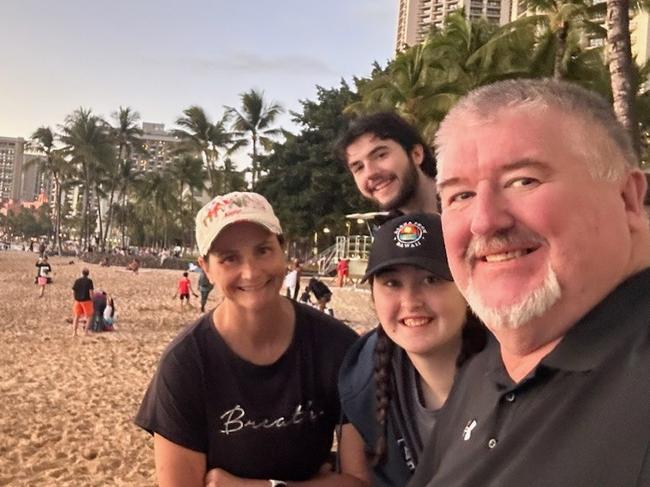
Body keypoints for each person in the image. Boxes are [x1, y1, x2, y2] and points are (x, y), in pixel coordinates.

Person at [409, 79, 650, 487]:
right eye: (460, 196)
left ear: (627, 198)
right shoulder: (486, 371)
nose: (485, 220)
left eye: (523, 181)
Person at [135, 191, 368, 487]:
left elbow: (361, 482)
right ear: (205, 267)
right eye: (229, 259)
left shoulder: (337, 347)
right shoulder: (186, 364)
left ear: (282, 249)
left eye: (263, 251)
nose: (250, 272)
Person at [338, 213, 486, 486]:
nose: (410, 301)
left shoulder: (517, 375)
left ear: (467, 288)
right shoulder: (364, 378)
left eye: (431, 279)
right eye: (392, 283)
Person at [335, 112, 438, 215]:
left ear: (416, 154)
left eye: (380, 155)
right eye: (359, 167)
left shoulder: (452, 202)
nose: (370, 173)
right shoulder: (390, 229)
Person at [71, 268, 94, 336]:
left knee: (77, 316)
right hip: (86, 300)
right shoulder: (89, 281)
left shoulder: (77, 280)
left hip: (78, 300)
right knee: (89, 316)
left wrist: (75, 298)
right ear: (88, 274)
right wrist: (92, 299)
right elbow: (91, 292)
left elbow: (73, 290)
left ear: (82, 273)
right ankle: (86, 332)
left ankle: (74, 332)